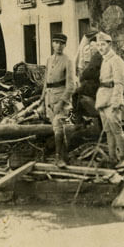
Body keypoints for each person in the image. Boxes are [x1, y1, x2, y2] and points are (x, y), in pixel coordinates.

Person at [94, 32, 124, 168]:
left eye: (103, 44)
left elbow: (120, 83)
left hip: (112, 100)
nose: (100, 47)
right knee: (108, 131)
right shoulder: (105, 60)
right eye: (98, 45)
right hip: (103, 99)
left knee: (117, 130)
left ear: (109, 44)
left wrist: (116, 101)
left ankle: (123, 158)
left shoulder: (116, 60)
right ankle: (112, 157)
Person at [40, 32, 74, 165]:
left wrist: (61, 102)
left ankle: (58, 157)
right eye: (56, 42)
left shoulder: (68, 61)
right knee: (55, 128)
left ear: (65, 45)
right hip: (49, 99)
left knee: (58, 127)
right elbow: (46, 82)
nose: (59, 46)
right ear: (52, 43)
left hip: (61, 99)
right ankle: (65, 157)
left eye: (62, 43)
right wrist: (42, 101)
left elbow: (71, 85)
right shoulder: (49, 59)